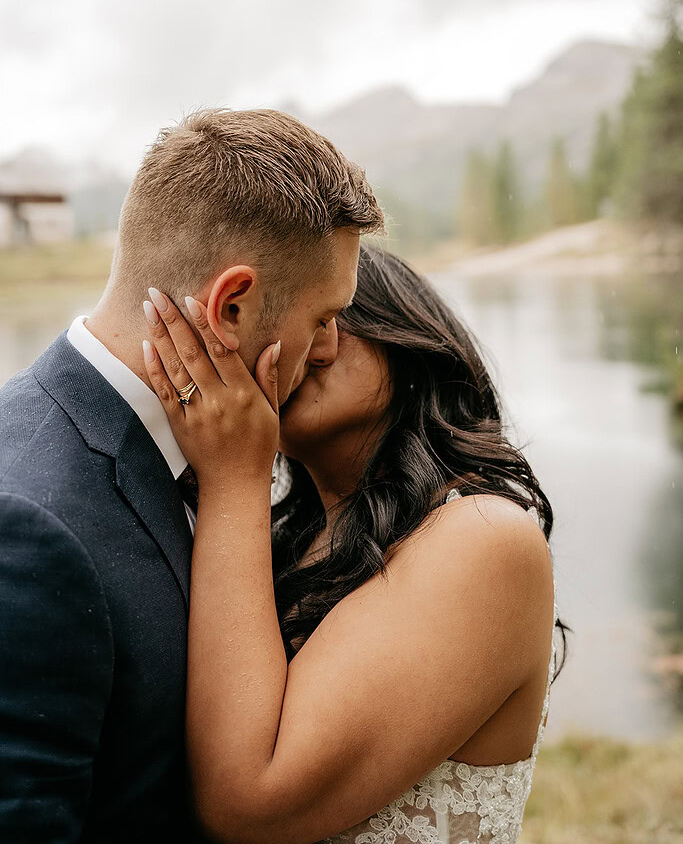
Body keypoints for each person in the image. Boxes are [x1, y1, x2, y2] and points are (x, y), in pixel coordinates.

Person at [0, 108, 384, 842]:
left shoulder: (199, 454)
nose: (332, 347)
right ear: (231, 306)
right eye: (325, 317)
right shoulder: (29, 526)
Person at [142, 242, 567, 844]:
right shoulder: (284, 542)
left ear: (408, 332)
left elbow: (250, 805)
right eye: (292, 324)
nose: (316, 346)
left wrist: (234, 474)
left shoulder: (484, 538)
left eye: (334, 316)